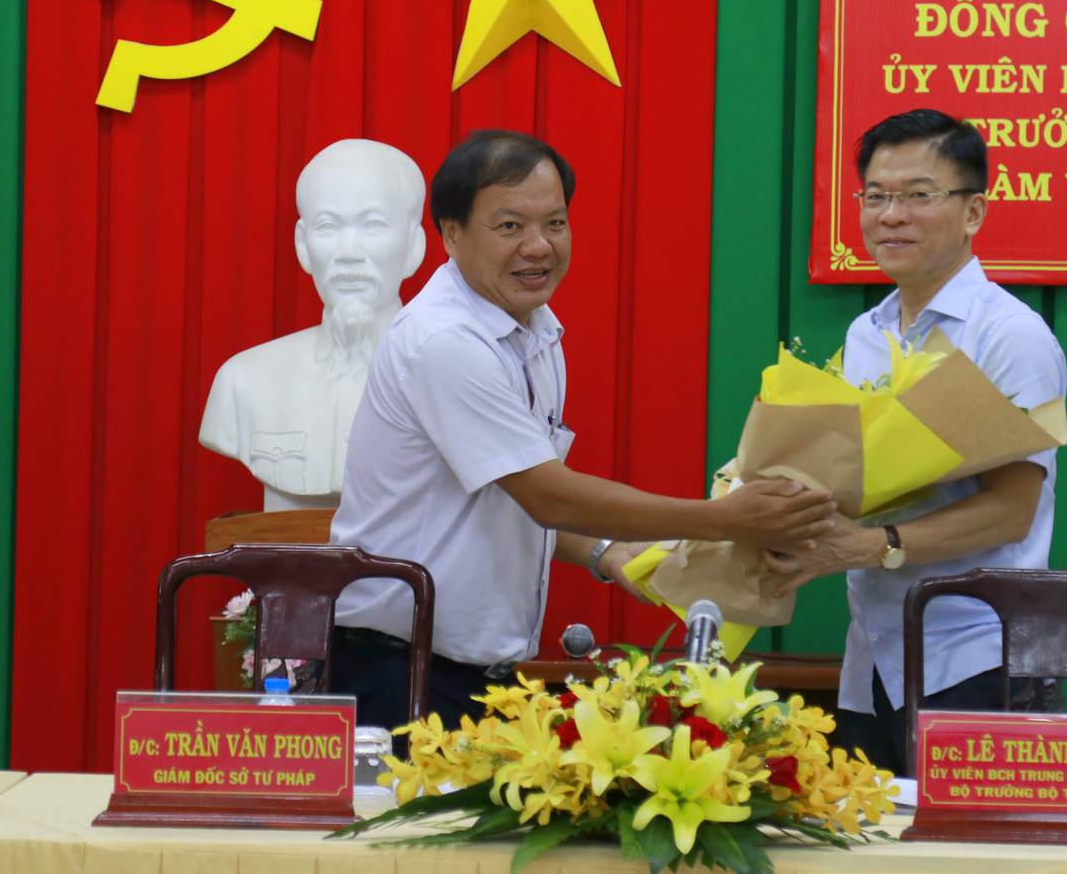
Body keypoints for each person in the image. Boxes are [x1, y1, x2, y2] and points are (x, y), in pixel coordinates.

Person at [329, 129, 838, 729]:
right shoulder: (445, 340)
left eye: (555, 224)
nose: (538, 246)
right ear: (451, 233)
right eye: (510, 226)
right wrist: (725, 519)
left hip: (477, 677)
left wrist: (606, 552)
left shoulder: (535, 330)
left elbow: (505, 495)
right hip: (400, 672)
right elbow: (547, 495)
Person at [763, 109, 1067, 775]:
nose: (891, 215)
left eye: (919, 195)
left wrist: (872, 545)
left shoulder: (1009, 336)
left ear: (973, 211)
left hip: (979, 656)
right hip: (874, 653)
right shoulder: (867, 334)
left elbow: (1011, 511)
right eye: (876, 196)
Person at [199, 139, 427, 509]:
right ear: (303, 246)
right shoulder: (243, 380)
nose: (349, 253)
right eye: (328, 227)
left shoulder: (454, 375)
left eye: (372, 225)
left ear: (414, 246)